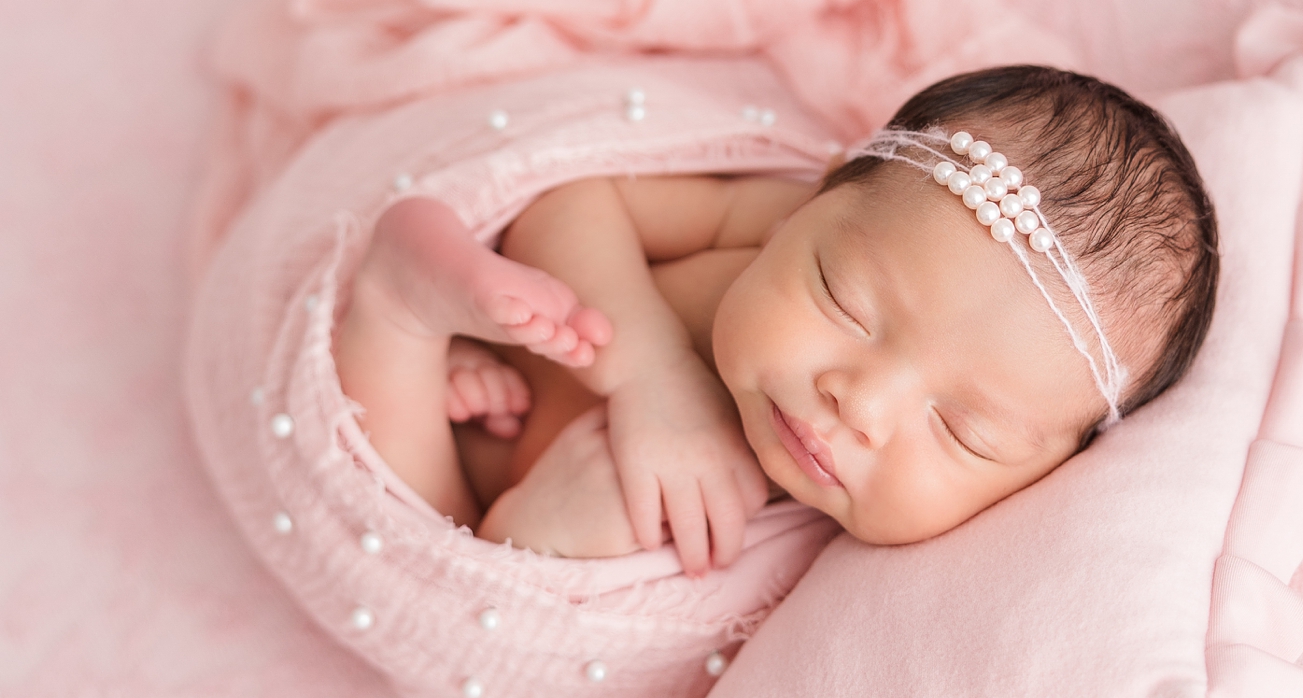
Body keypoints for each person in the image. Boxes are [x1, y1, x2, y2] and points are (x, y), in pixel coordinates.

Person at [333, 62, 1219, 575]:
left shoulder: (836, 568)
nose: (859, 405)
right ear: (823, 196)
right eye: (845, 298)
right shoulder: (760, 220)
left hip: (487, 491)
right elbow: (580, 199)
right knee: (401, 459)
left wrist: (543, 545)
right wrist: (651, 372)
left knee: (429, 535)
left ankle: (504, 520)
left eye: (964, 432)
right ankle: (406, 310)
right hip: (501, 342)